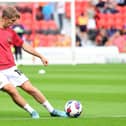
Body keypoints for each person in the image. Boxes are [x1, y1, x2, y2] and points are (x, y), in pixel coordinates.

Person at [0, 6, 68, 119]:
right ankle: (32, 111)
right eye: (12, 21)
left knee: (29, 88)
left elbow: (24, 46)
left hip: (11, 67)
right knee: (11, 89)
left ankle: (52, 110)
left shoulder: (11, 32)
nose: (13, 24)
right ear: (5, 18)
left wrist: (41, 56)